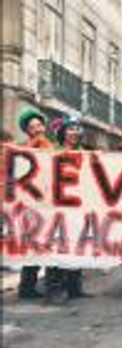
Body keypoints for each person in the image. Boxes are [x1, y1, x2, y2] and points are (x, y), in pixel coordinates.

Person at [44, 116, 92, 302]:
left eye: (77, 129)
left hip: (79, 207)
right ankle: (54, 288)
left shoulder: (86, 153)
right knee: (57, 246)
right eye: (70, 129)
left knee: (77, 246)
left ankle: (74, 286)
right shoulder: (53, 152)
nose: (74, 132)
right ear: (63, 132)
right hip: (57, 206)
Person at [15, 109, 54, 299]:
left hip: (49, 204)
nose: (37, 129)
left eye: (39, 125)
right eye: (32, 127)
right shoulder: (22, 148)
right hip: (29, 205)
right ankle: (26, 287)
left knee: (46, 244)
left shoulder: (50, 146)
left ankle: (47, 283)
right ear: (27, 131)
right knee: (31, 245)